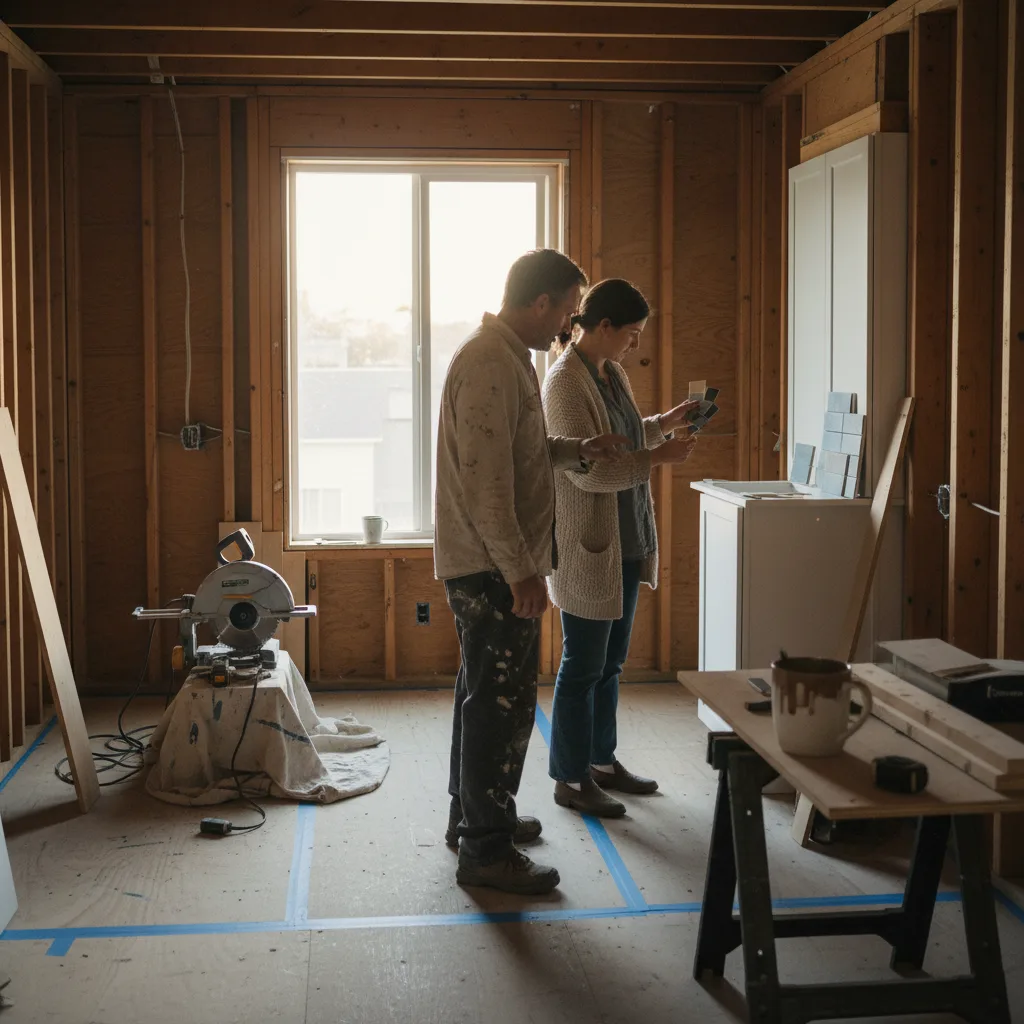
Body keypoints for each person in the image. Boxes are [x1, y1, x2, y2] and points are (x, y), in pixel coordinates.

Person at [434, 250, 629, 895]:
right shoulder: (491, 362)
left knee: (483, 695)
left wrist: (577, 451)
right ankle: (487, 850)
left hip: (491, 562)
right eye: (569, 310)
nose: (570, 326)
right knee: (501, 705)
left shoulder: (508, 358)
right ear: (540, 302)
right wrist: (521, 573)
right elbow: (487, 486)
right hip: (492, 566)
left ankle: (477, 818)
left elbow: (523, 453)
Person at [540, 278, 699, 817]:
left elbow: (625, 440)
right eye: (630, 333)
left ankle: (601, 762)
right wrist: (656, 460)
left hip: (627, 543)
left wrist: (663, 427)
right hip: (589, 550)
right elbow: (586, 472)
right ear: (602, 326)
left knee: (610, 664)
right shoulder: (564, 383)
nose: (635, 344)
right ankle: (569, 775)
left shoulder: (613, 372)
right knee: (582, 666)